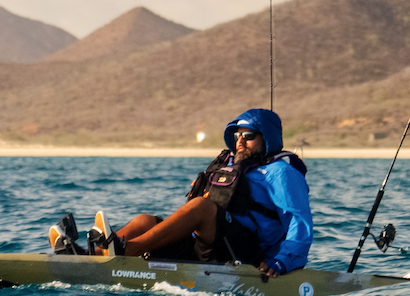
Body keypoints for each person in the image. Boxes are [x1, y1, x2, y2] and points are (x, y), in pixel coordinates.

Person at [50, 109, 313, 278]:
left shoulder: (281, 172)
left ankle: (125, 250)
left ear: (267, 138)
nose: (240, 140)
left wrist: (282, 262)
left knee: (201, 207)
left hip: (249, 255)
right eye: (237, 135)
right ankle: (89, 257)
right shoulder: (229, 166)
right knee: (145, 221)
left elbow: (299, 223)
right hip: (211, 247)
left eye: (249, 135)